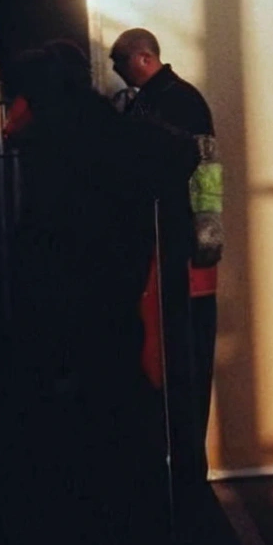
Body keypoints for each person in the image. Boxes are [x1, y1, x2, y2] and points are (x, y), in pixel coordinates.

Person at [0, 42, 198, 545]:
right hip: (118, 324)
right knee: (124, 450)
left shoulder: (51, 153)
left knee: (72, 467)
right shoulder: (119, 136)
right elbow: (184, 154)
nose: (10, 116)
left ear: (34, 99)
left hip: (64, 338)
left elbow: (42, 257)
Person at [110, 27, 220, 487]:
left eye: (119, 63)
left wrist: (203, 243)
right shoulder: (177, 100)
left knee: (181, 358)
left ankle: (186, 464)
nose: (116, 72)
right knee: (182, 358)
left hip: (177, 249)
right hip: (180, 247)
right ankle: (186, 463)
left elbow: (204, 174)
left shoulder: (165, 104)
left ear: (140, 59)